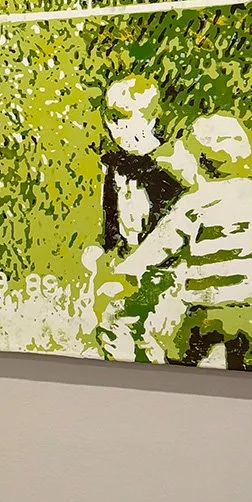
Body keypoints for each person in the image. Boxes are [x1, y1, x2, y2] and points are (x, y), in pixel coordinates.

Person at [107, 114, 252, 372]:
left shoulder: (192, 204)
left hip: (204, 309)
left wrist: (125, 271)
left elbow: (160, 245)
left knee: (179, 362)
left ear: (198, 161)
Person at [83, 76, 193, 362]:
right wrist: (106, 248)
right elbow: (110, 211)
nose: (119, 131)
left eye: (127, 122)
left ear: (152, 120)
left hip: (162, 266)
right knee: (113, 325)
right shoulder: (114, 163)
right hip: (126, 257)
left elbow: (180, 220)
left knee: (147, 331)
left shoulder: (169, 165)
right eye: (113, 122)